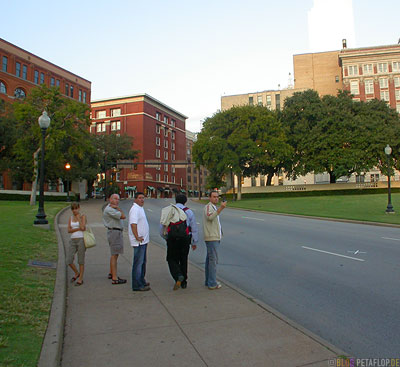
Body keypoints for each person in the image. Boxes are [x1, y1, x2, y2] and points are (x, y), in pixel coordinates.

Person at [160, 194, 198, 290]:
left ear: (175, 200)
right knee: (183, 259)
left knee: (171, 258)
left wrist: (165, 237)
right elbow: (194, 228)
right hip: (185, 238)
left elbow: (162, 225)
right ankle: (184, 282)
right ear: (185, 201)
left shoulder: (169, 210)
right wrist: (194, 242)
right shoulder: (189, 212)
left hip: (172, 239)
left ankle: (178, 275)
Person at [203, 190, 227, 290]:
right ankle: (212, 283)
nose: (216, 198)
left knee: (210, 259)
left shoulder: (213, 207)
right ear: (210, 197)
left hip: (215, 236)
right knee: (213, 260)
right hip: (211, 237)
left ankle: (209, 280)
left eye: (217, 197)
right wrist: (221, 208)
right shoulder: (208, 207)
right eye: (214, 197)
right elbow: (210, 217)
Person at [103, 194, 127, 285]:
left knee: (115, 254)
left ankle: (111, 273)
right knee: (114, 255)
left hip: (115, 232)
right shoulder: (110, 210)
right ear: (110, 199)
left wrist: (116, 208)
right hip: (114, 232)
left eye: (118, 199)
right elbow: (123, 216)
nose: (117, 201)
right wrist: (118, 209)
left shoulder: (111, 209)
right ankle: (115, 277)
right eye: (115, 199)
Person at [129, 192, 150, 291]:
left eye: (143, 198)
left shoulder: (140, 208)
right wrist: (137, 236)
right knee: (138, 263)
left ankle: (142, 280)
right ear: (135, 199)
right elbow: (133, 224)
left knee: (143, 263)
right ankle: (137, 285)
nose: (142, 200)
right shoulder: (135, 209)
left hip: (144, 241)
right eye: (140, 198)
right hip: (139, 241)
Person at [67, 202, 86, 286]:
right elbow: (69, 230)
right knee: (69, 259)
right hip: (73, 240)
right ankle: (76, 272)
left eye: (76, 208)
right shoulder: (70, 218)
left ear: (79, 208)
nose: (74, 210)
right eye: (73, 209)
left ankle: (80, 278)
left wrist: (79, 219)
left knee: (80, 260)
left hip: (81, 239)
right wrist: (77, 228)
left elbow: (83, 228)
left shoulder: (82, 216)